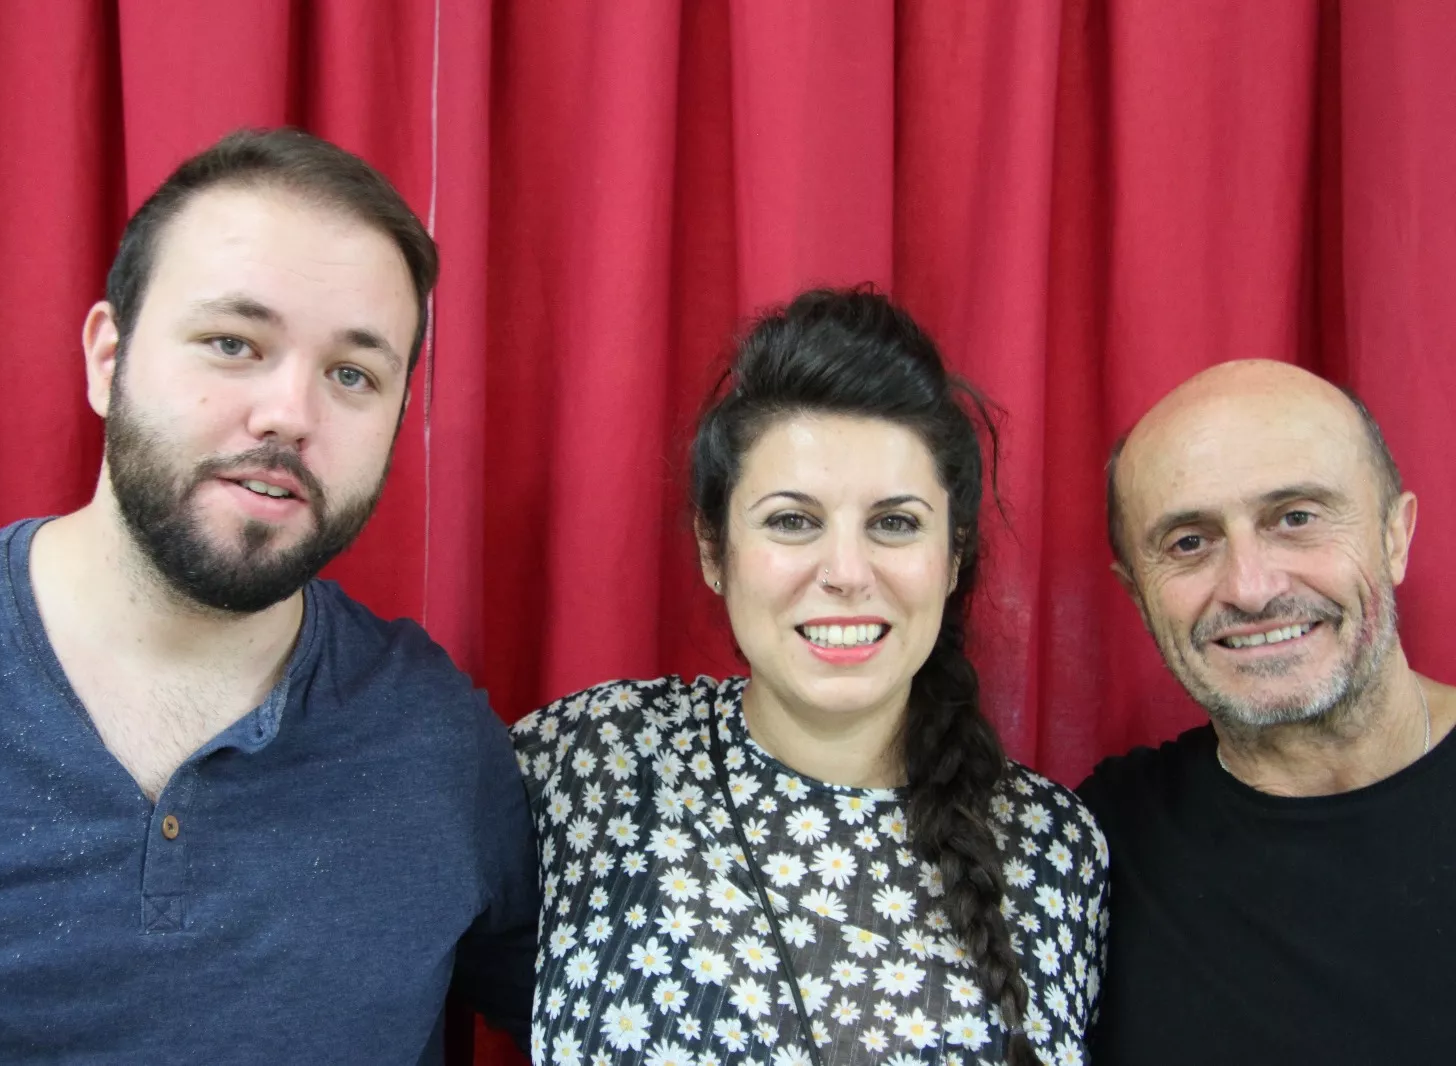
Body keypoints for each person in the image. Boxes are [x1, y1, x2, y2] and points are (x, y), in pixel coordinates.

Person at [0, 129, 536, 1064]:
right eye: (232, 343)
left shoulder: (437, 742)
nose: (290, 414)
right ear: (109, 356)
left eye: (353, 374)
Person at [513, 289, 1108, 1066]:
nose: (847, 573)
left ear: (953, 557)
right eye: (793, 520)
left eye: (895, 523)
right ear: (712, 550)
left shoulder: (1058, 851)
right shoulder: (588, 761)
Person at [1079, 359, 1454, 1064]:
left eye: (1296, 518)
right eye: (1189, 542)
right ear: (1137, 595)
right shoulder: (1095, 847)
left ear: (1395, 536)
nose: (1250, 588)